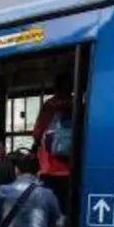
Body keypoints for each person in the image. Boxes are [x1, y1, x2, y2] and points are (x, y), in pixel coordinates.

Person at [31, 74, 74, 208]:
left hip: (48, 169)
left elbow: (37, 133)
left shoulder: (49, 105)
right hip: (70, 169)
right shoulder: (77, 104)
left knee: (47, 210)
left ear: (56, 87)